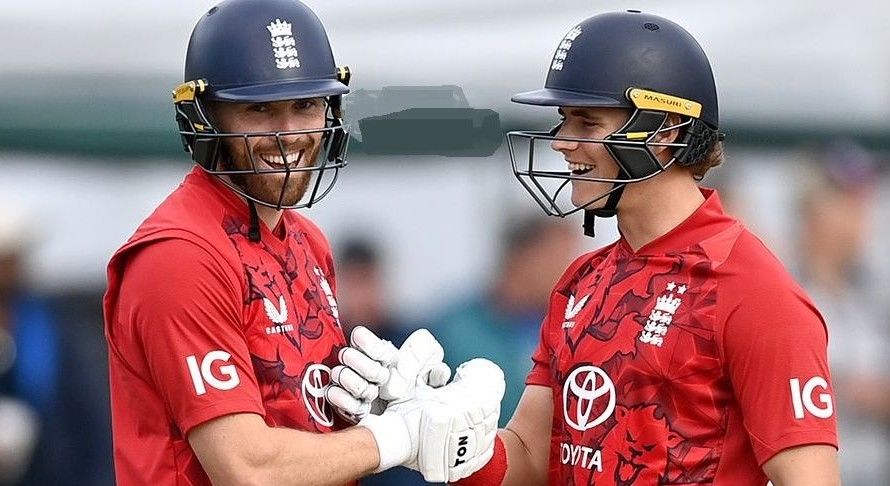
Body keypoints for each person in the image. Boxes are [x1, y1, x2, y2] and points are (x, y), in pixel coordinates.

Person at [332, 10, 840, 485]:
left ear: (664, 132)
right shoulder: (581, 282)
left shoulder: (752, 290)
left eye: (586, 122)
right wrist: (430, 433)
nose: (561, 141)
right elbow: (530, 455)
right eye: (565, 119)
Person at [102, 1, 502, 484]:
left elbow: (299, 421)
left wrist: (376, 408)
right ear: (205, 118)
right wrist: (395, 436)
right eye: (259, 109)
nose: (289, 134)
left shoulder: (306, 241)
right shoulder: (180, 255)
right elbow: (247, 468)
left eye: (306, 105)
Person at [433, 216, 578, 425]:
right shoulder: (454, 332)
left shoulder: (575, 330)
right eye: (562, 258)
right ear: (525, 257)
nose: (574, 272)